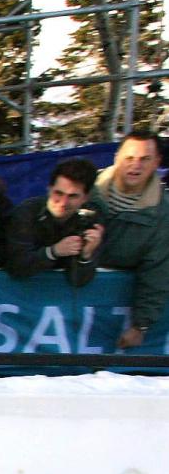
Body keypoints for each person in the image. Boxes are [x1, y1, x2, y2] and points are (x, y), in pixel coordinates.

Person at [90, 132, 169, 348]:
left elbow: (157, 273)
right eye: (129, 158)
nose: (136, 166)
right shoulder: (84, 188)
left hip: (107, 312)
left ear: (157, 162)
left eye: (145, 159)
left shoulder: (162, 214)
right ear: (117, 157)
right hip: (59, 295)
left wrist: (140, 325)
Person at [4, 157, 105, 288]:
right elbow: (16, 267)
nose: (63, 202)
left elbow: (78, 281)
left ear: (85, 198)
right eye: (58, 193)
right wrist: (53, 252)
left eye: (72, 196)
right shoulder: (27, 212)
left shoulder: (90, 219)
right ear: (49, 188)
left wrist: (86, 256)